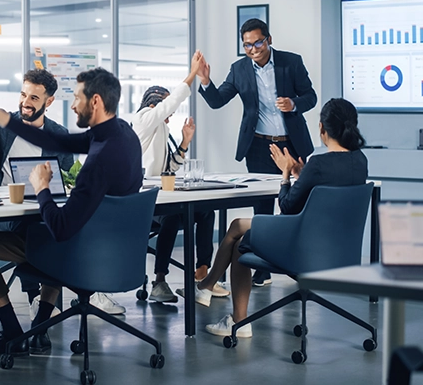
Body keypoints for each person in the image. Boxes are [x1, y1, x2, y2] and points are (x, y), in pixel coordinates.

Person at [0, 68, 142, 358]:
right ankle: (40, 326)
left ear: (94, 101)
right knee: (40, 232)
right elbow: (56, 143)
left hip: (78, 252)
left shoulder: (98, 162)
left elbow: (61, 228)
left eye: (77, 98)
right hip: (114, 251)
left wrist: (42, 187)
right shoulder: (120, 134)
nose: (72, 105)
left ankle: (12, 333)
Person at [193, 98, 368, 338]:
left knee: (240, 243)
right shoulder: (360, 162)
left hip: (301, 247)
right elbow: (324, 198)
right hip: (336, 250)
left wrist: (285, 174)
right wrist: (300, 174)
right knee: (240, 230)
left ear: (322, 129)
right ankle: (208, 288)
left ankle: (237, 320)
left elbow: (286, 206)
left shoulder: (318, 164)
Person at [0, 60, 88, 314]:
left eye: (34, 98)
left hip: (38, 214)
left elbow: (69, 182)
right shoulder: (0, 124)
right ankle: (22, 307)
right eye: (24, 94)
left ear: (48, 102)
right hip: (0, 214)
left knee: (54, 232)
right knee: (41, 234)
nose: (26, 102)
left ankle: (41, 313)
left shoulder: (58, 134)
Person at [196, 18, 317, 287]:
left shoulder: (291, 62)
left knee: (295, 203)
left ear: (269, 40)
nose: (253, 49)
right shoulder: (239, 69)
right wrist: (205, 81)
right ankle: (263, 266)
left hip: (291, 144)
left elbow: (311, 96)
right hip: (260, 145)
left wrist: (293, 103)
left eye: (258, 42)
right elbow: (217, 101)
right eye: (247, 45)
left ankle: (295, 260)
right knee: (262, 206)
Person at [130, 52, 226, 303]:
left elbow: (168, 170)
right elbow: (168, 104)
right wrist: (193, 74)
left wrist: (184, 142)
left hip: (161, 197)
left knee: (206, 211)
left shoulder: (160, 127)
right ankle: (159, 282)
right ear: (154, 105)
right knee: (172, 214)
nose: (170, 116)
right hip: (141, 202)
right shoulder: (142, 120)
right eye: (165, 110)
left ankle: (202, 274)